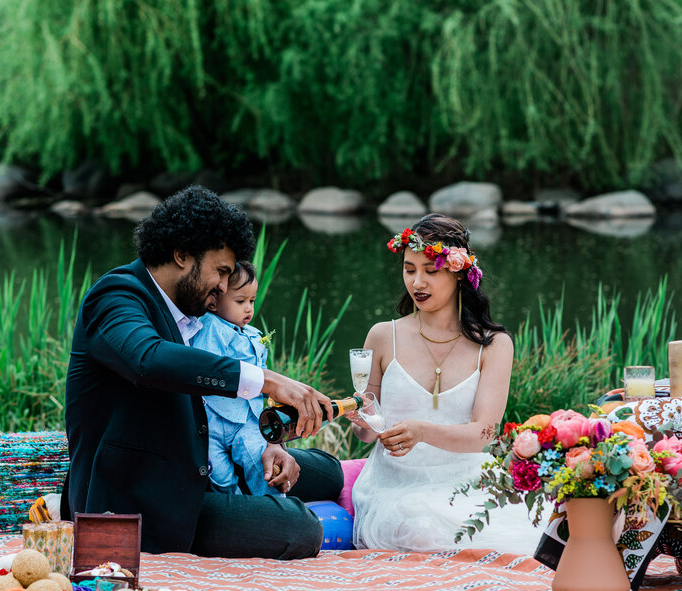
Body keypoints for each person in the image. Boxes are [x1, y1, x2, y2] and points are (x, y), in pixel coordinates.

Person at [64, 185, 343, 558]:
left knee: (329, 473)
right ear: (182, 255)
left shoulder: (194, 315)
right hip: (145, 499)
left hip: (202, 462)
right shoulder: (116, 296)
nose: (225, 287)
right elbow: (149, 358)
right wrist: (266, 379)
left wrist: (269, 445)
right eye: (221, 272)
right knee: (301, 528)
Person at [349, 214, 546, 554]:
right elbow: (368, 433)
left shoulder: (495, 344)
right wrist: (362, 417)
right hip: (397, 482)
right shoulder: (383, 336)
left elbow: (483, 434)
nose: (417, 282)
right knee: (421, 531)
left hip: (467, 480)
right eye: (409, 269)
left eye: (430, 270)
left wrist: (422, 432)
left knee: (533, 535)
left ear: (458, 272)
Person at [191, 260, 278, 497]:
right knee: (218, 473)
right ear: (214, 301)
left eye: (252, 301)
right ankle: (235, 507)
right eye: (240, 302)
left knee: (259, 461)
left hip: (247, 418)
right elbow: (205, 367)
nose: (249, 309)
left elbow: (263, 373)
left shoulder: (253, 334)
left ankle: (273, 504)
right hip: (212, 421)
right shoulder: (211, 327)